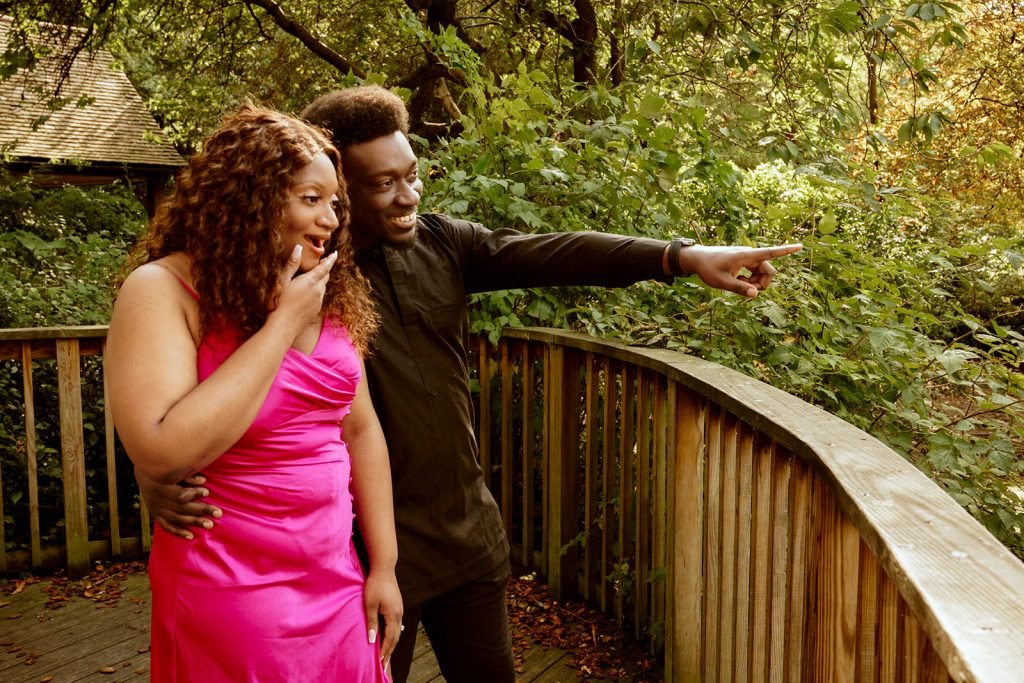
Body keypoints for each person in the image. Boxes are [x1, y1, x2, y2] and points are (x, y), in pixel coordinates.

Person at [139, 87, 802, 683]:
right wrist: (157, 475)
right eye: (383, 185)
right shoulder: (289, 278)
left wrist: (682, 257)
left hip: (465, 537)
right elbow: (201, 392)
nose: (409, 195)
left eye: (412, 176)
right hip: (360, 552)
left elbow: (555, 252)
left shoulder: (443, 245)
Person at [107, 104, 402, 681]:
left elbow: (360, 429)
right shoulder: (162, 291)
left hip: (335, 575)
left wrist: (384, 566)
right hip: (231, 583)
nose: (330, 218)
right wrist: (282, 326)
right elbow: (163, 449)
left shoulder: (326, 292)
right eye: (309, 199)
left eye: (334, 203)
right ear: (251, 199)